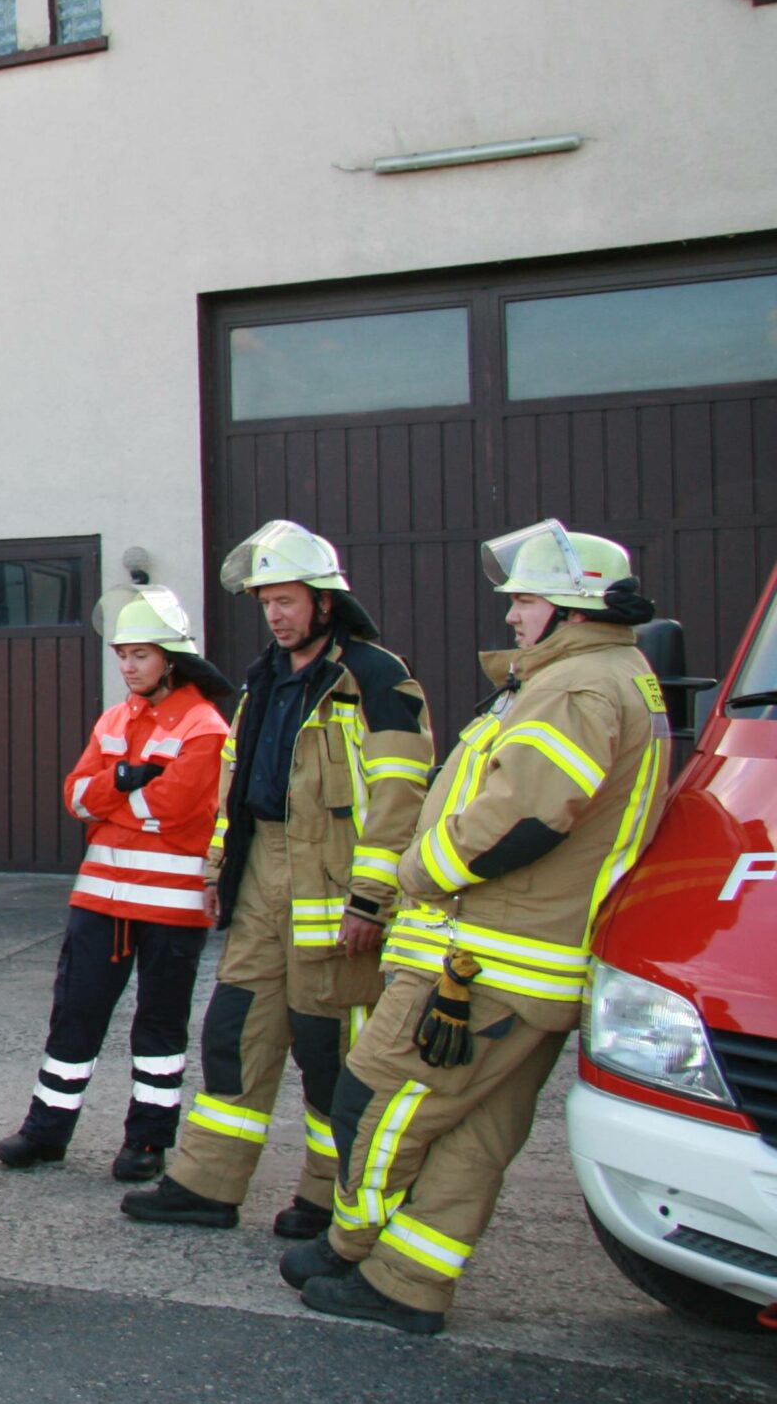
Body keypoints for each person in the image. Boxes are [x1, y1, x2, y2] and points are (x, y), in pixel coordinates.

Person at [286, 522, 670, 1333]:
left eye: (525, 600)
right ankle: (408, 1282)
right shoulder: (605, 674)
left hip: (485, 960)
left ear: (571, 607)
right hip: (532, 966)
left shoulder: (573, 688)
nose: (513, 616)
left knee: (378, 1098)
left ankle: (352, 1247)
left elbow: (524, 814)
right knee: (476, 1134)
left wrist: (417, 873)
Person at [123, 522, 433, 1238]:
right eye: (266, 603)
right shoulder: (264, 679)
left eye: (287, 600)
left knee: (330, 1052)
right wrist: (218, 872)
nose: (275, 615)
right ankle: (206, 1183)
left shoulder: (377, 677)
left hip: (335, 885)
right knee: (235, 1032)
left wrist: (372, 896)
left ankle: (330, 1196)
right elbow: (239, 788)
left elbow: (400, 796)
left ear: (325, 602)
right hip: (263, 872)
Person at [0, 586, 231, 1178]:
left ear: (171, 658)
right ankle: (45, 1131)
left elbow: (174, 810)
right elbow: (75, 796)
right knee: (74, 1015)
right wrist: (128, 780)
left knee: (160, 1024)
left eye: (140, 655)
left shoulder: (206, 725)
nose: (127, 666)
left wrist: (112, 799)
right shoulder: (115, 718)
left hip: (171, 908)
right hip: (100, 899)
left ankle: (147, 1143)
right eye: (122, 654)